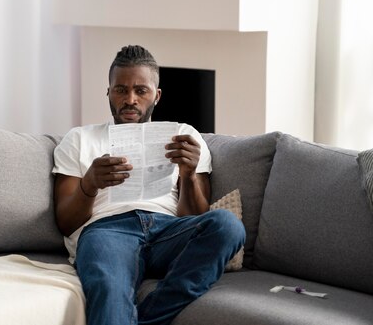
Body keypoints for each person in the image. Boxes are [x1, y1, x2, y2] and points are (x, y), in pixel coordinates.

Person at [52, 45, 245, 325]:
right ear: (108, 92)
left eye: (141, 90)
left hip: (168, 230)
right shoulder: (80, 139)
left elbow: (195, 217)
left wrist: (189, 175)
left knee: (227, 226)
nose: (130, 99)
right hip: (107, 231)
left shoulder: (183, 134)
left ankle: (147, 317)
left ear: (157, 95)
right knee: (110, 289)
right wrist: (90, 185)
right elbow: (65, 223)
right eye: (120, 89)